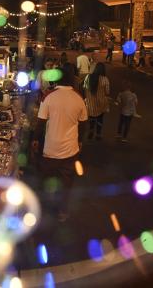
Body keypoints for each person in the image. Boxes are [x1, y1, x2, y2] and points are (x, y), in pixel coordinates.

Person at [32, 68, 88, 222]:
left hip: (50, 149)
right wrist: (80, 141)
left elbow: (40, 122)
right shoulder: (79, 98)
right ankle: (62, 211)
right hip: (71, 150)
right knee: (67, 182)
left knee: (45, 180)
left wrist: (35, 140)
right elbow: (83, 124)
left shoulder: (48, 97)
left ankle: (41, 210)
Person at [83, 62, 110, 140]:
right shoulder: (105, 79)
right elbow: (107, 92)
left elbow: (84, 88)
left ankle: (91, 131)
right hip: (101, 103)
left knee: (91, 117)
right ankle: (98, 134)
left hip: (90, 103)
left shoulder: (88, 77)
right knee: (100, 118)